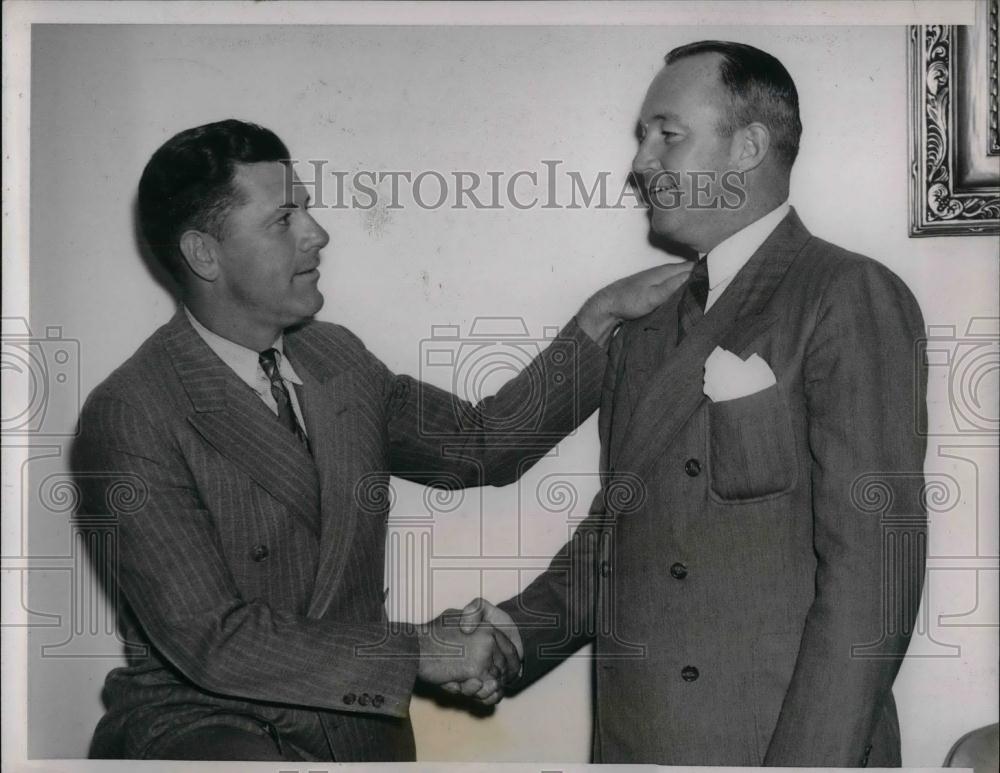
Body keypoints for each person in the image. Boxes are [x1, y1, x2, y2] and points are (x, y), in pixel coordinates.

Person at [72, 119, 690, 761]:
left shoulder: (333, 357)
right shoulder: (131, 413)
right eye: (284, 219)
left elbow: (482, 443)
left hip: (359, 729)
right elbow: (214, 641)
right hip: (207, 731)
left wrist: (601, 317)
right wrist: (421, 650)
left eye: (306, 207)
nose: (318, 233)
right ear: (204, 254)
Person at [459, 40, 928, 766]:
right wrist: (517, 633)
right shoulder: (643, 326)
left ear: (747, 147)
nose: (640, 162)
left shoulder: (843, 293)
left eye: (666, 135)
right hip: (636, 743)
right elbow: (621, 538)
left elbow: (874, 581)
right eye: (643, 136)